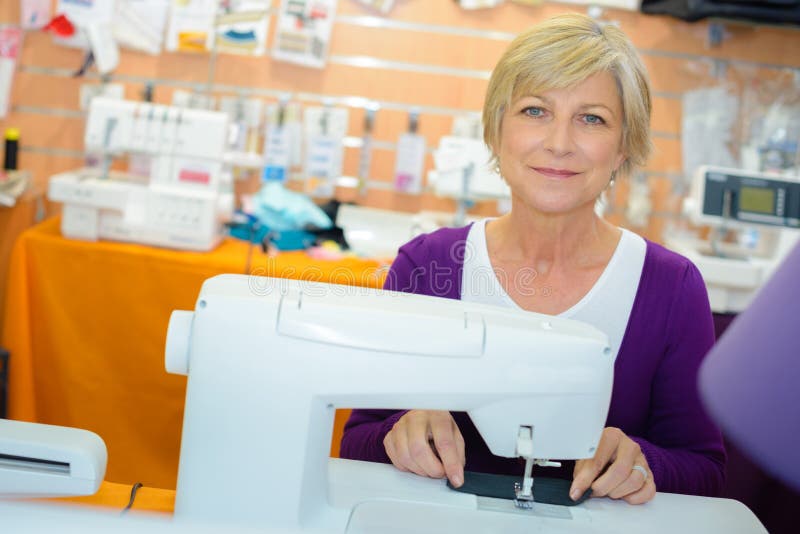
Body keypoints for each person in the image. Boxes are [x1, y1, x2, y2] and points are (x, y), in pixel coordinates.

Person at [340, 13, 725, 505]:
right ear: (496, 130)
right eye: (534, 111)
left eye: (592, 119)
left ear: (624, 147)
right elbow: (357, 442)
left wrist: (644, 461)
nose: (559, 143)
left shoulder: (671, 287)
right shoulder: (426, 266)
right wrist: (399, 433)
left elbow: (706, 470)